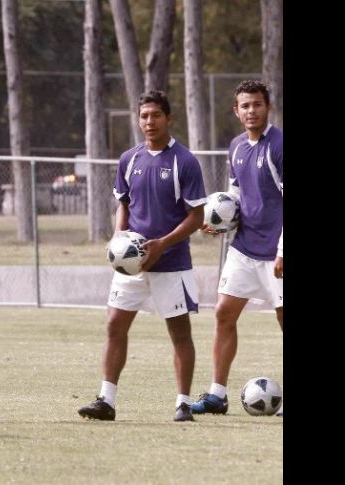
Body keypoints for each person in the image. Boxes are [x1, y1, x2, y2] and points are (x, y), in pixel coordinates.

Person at [78, 90, 207, 423]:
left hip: (172, 262)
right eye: (144, 116)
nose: (149, 122)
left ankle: (183, 403)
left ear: (169, 119)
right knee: (114, 326)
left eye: (156, 115)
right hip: (130, 264)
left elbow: (196, 216)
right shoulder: (129, 159)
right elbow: (124, 204)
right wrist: (120, 236)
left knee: (179, 333)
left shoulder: (185, 161)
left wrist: (162, 243)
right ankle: (106, 400)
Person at [191, 80, 283, 416]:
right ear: (236, 110)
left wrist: (283, 251)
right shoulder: (236, 147)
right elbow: (236, 195)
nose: (251, 111)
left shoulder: (279, 145)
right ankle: (217, 395)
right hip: (243, 248)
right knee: (223, 314)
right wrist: (220, 221)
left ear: (267, 107)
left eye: (257, 104)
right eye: (245, 106)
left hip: (276, 252)